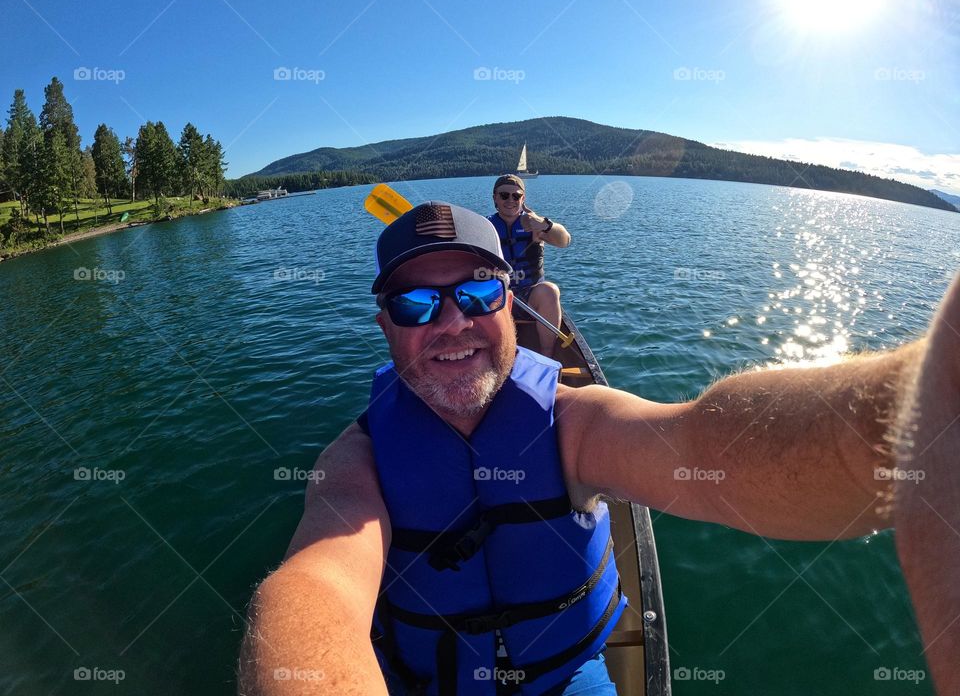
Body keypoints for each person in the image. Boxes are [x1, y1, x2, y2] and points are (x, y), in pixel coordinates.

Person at [238, 201, 960, 695]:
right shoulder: (355, 462)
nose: (451, 322)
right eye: (416, 304)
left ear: (509, 299)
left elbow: (706, 449)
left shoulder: (575, 425)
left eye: (478, 294)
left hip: (563, 680)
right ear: (385, 325)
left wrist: (931, 403)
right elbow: (313, 594)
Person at [488, 174, 571, 357]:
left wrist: (545, 225)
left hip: (529, 297)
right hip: (498, 297)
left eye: (516, 196)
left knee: (550, 290)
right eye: (504, 195)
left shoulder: (534, 224)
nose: (510, 200)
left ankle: (546, 356)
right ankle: (493, 357)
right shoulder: (486, 226)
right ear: (495, 197)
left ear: (523, 199)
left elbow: (565, 240)